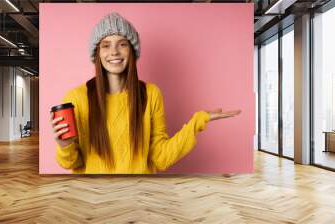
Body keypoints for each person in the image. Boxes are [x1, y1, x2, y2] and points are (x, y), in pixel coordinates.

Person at [50, 12, 241, 174]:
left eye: (122, 44)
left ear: (132, 51)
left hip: (140, 196)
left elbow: (160, 158)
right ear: (97, 54)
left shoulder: (150, 94)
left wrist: (198, 121)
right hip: (95, 200)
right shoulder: (75, 98)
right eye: (106, 45)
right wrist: (64, 145)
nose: (114, 51)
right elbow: (71, 164)